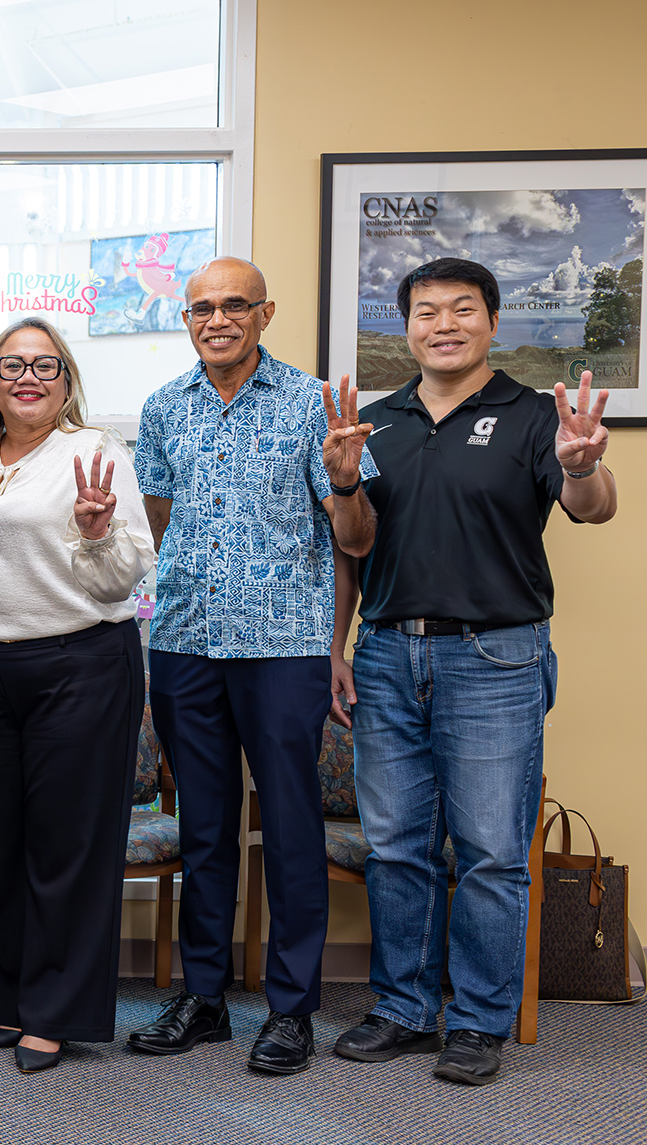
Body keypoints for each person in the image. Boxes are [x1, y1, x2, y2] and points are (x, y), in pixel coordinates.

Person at [331, 258, 619, 1085]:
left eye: (462, 309)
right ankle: (403, 1008)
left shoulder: (533, 416)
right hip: (387, 654)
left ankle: (479, 1020)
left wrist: (578, 462)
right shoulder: (375, 421)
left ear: (493, 322)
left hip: (497, 655)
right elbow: (354, 543)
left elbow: (593, 505)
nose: (444, 324)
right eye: (426, 311)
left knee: (491, 849)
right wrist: (345, 483)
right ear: (407, 326)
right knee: (396, 845)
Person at [126, 257, 378, 1075]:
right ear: (187, 319)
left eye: (235, 304)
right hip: (186, 645)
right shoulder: (165, 408)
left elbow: (358, 542)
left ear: (266, 313)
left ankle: (291, 1008)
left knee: (292, 826)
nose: (218, 318)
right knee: (204, 827)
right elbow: (160, 524)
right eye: (202, 307)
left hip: (285, 646)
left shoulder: (315, 406)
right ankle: (204, 996)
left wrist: (346, 485)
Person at [0, 317, 156, 1073]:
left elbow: (127, 574)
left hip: (81, 663)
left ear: (65, 381)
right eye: (11, 365)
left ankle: (56, 1015)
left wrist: (96, 534)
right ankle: (18, 1000)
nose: (28, 377)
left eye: (45, 365)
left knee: (67, 844)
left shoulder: (93, 455)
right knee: (2, 839)